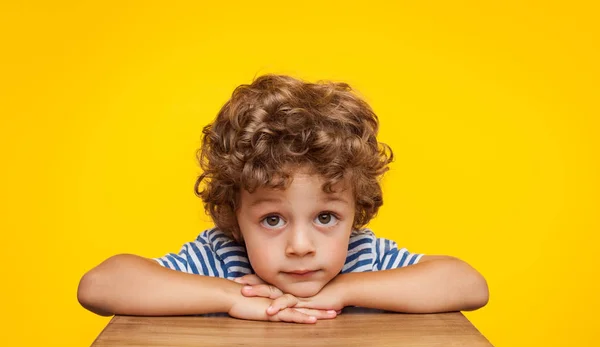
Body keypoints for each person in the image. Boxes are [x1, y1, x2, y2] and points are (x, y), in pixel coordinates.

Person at [78, 74, 489, 323]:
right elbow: (100, 285)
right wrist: (231, 298)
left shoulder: (362, 259)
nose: (301, 247)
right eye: (272, 219)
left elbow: (469, 285)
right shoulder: (221, 261)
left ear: (356, 211)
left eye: (326, 218)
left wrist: (344, 290)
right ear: (234, 215)